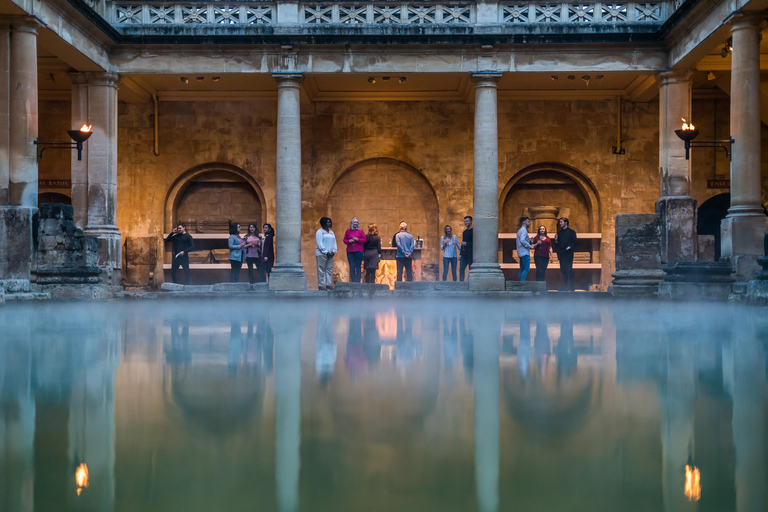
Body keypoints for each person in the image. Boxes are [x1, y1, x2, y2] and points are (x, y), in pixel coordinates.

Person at [555, 217, 578, 291]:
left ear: (566, 222)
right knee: (563, 270)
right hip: (561, 254)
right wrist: (556, 240)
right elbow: (557, 245)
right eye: (560, 222)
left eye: (561, 222)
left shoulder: (572, 232)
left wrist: (569, 247)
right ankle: (564, 286)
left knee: (569, 269)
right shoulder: (559, 233)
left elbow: (575, 242)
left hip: (568, 253)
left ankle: (572, 286)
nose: (560, 223)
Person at [315, 217, 337, 291]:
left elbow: (334, 243)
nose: (329, 224)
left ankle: (328, 284)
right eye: (327, 222)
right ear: (323, 223)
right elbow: (319, 243)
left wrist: (334, 251)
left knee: (329, 269)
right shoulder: (319, 232)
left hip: (331, 254)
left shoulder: (331, 232)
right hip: (322, 253)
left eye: (330, 222)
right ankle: (321, 285)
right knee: (321, 269)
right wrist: (326, 252)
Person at [343, 217, 366, 283]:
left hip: (358, 251)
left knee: (358, 267)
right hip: (350, 251)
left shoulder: (360, 231)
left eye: (357, 222)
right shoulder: (348, 231)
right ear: (351, 223)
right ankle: (353, 281)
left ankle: (358, 282)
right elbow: (344, 240)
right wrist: (349, 241)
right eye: (354, 222)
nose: (355, 223)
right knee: (352, 267)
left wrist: (357, 239)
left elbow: (364, 240)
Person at [516, 217, 534, 281]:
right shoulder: (524, 230)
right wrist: (530, 246)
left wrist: (528, 241)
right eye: (528, 222)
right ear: (525, 222)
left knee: (522, 269)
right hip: (524, 252)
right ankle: (522, 283)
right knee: (526, 269)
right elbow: (522, 240)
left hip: (520, 252)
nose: (529, 223)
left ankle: (520, 283)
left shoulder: (519, 230)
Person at [459, 216, 473, 281]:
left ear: (471, 221)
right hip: (464, 254)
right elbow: (462, 244)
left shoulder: (474, 231)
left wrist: (467, 243)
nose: (465, 223)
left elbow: (476, 243)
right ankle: (461, 283)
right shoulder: (464, 232)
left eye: (467, 221)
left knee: (471, 269)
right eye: (464, 221)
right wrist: (460, 254)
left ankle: (471, 282)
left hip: (471, 253)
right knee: (461, 269)